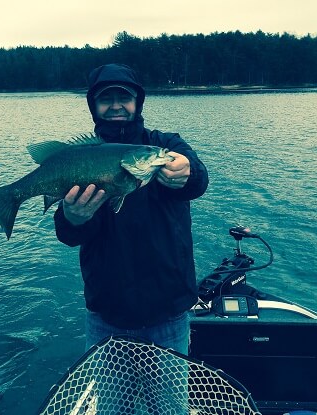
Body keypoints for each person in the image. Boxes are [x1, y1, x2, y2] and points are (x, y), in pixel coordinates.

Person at [54, 63, 208, 356]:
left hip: (169, 312)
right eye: (105, 99)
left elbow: (198, 180)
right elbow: (69, 234)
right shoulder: (80, 158)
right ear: (93, 105)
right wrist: (72, 219)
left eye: (123, 98)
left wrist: (190, 173)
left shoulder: (163, 146)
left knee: (168, 404)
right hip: (107, 315)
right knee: (113, 404)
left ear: (137, 102)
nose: (115, 106)